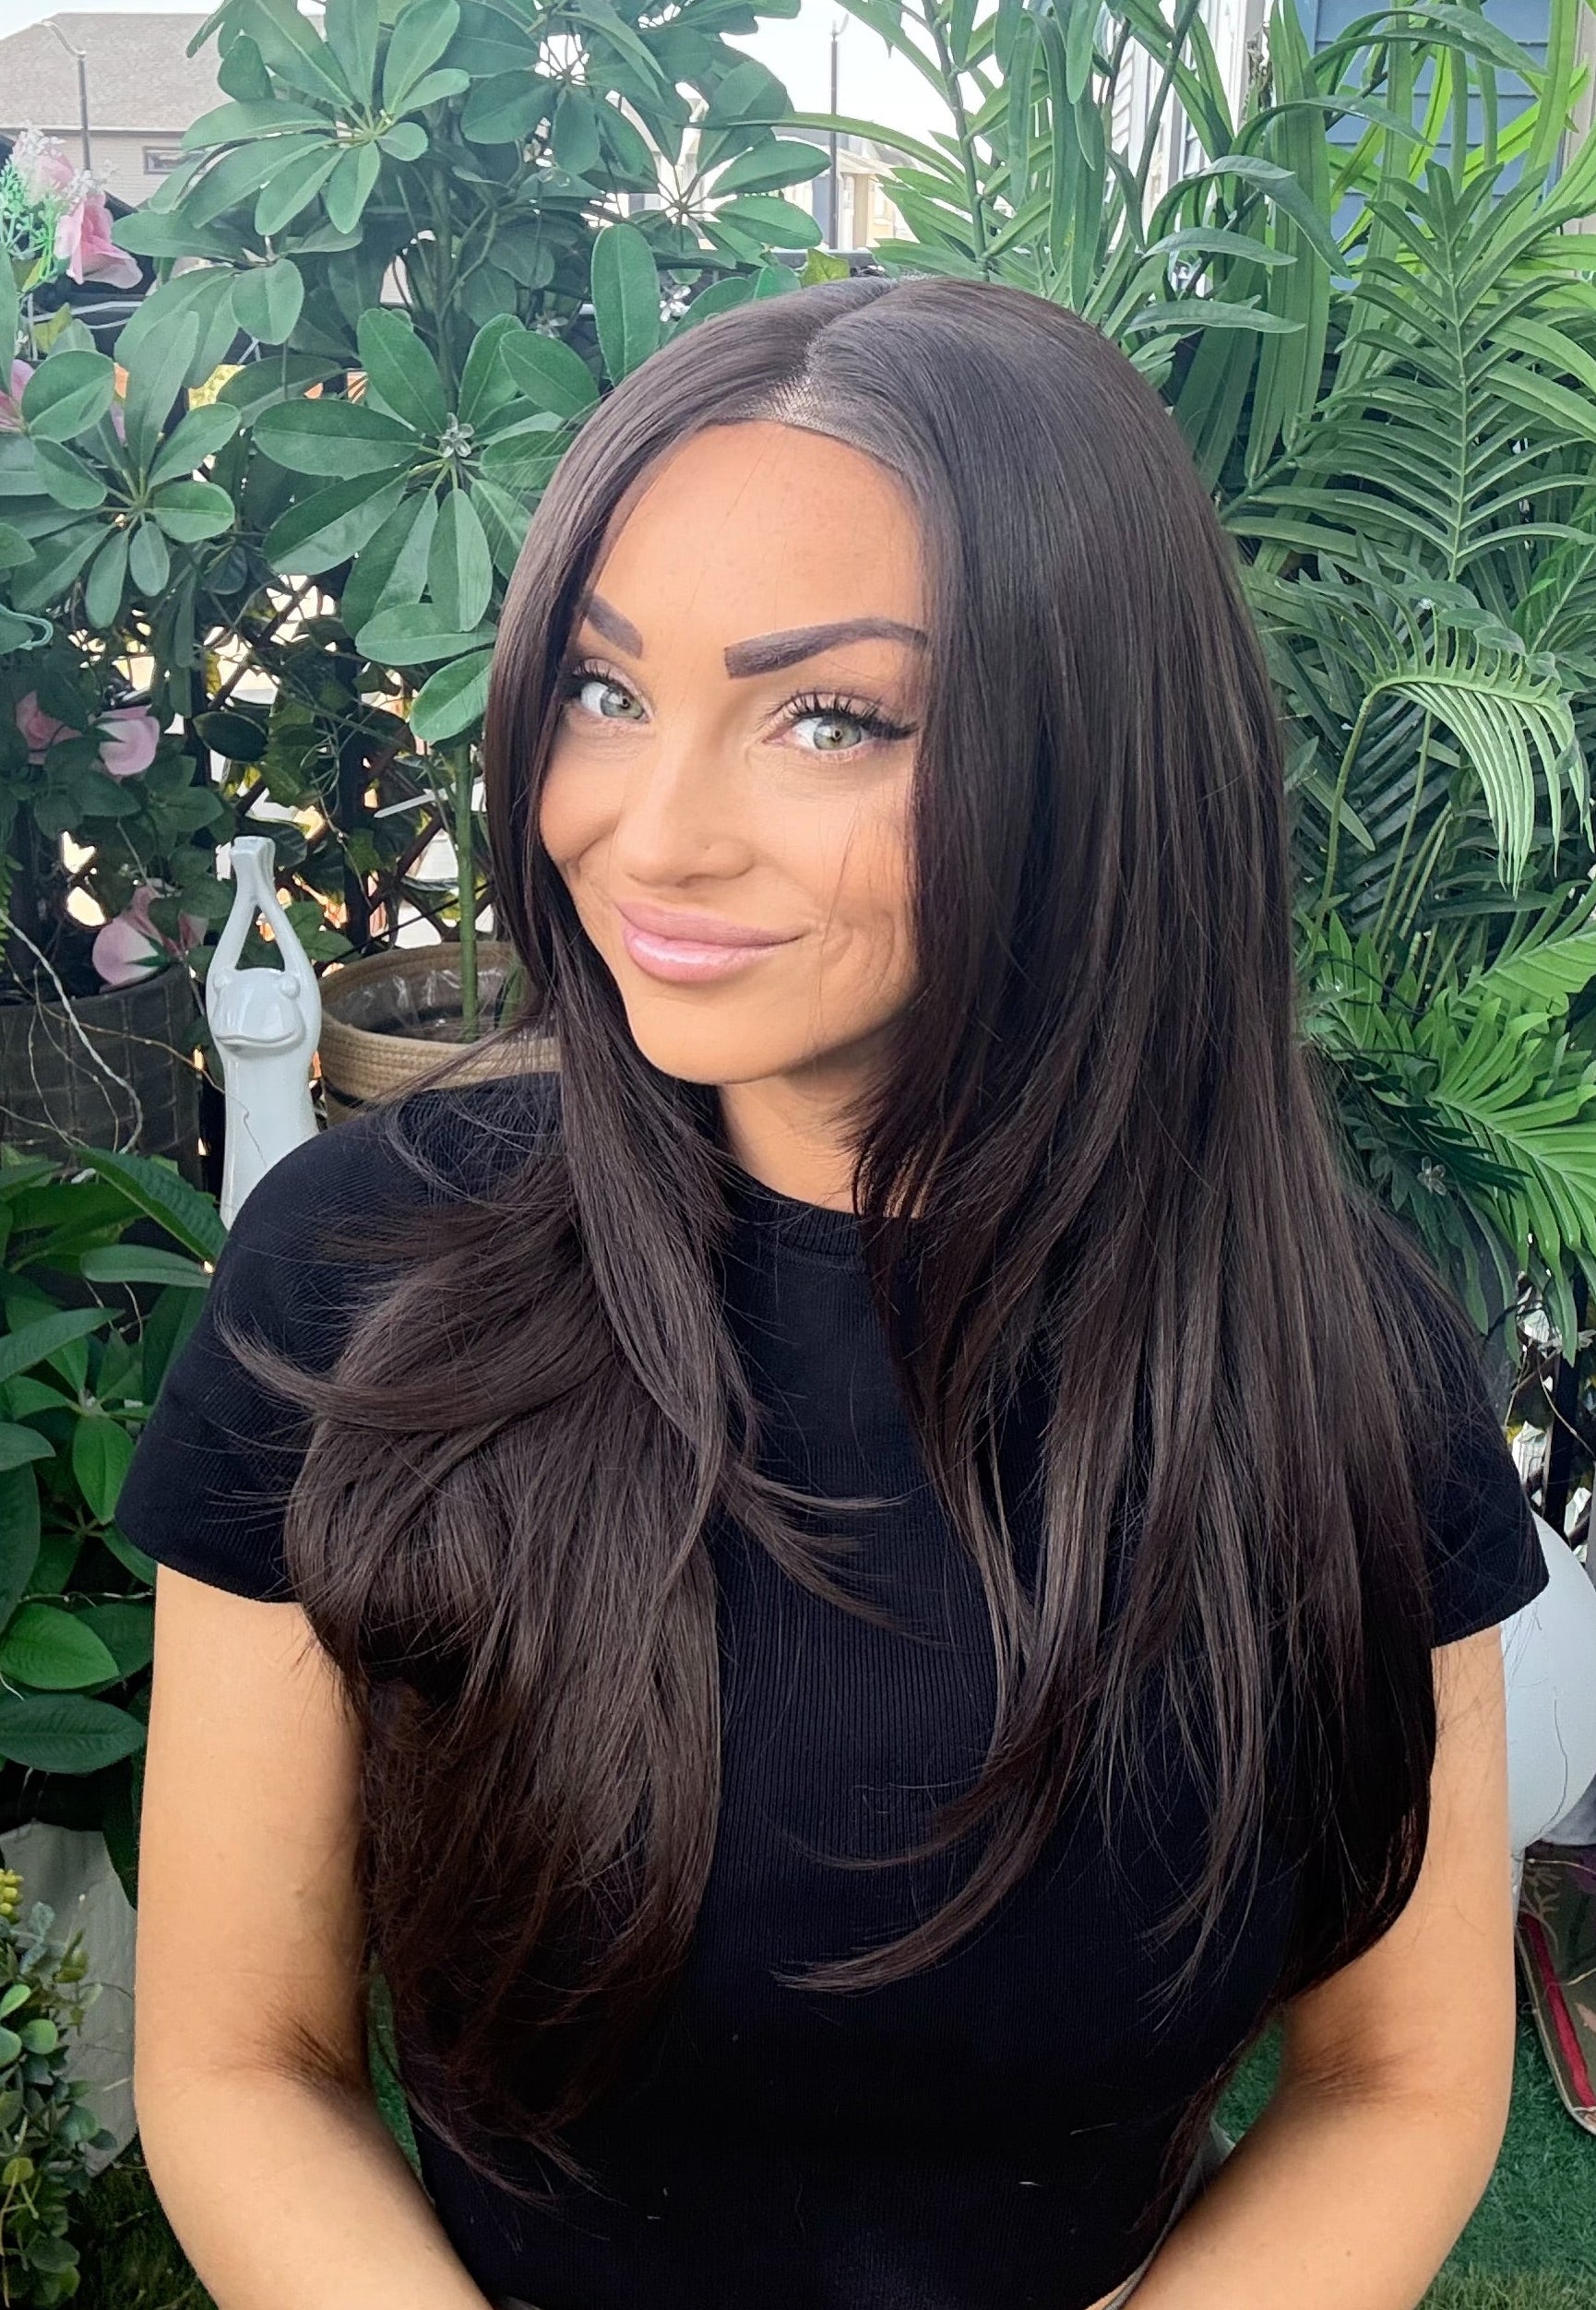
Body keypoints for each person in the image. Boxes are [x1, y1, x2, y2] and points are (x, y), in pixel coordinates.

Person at [120, 274, 1549, 2310]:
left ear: (1091, 752)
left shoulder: (1333, 1351)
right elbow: (238, 2056)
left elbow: (1398, 2078)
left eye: (829, 716)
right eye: (606, 691)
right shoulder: (363, 1278)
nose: (651, 831)